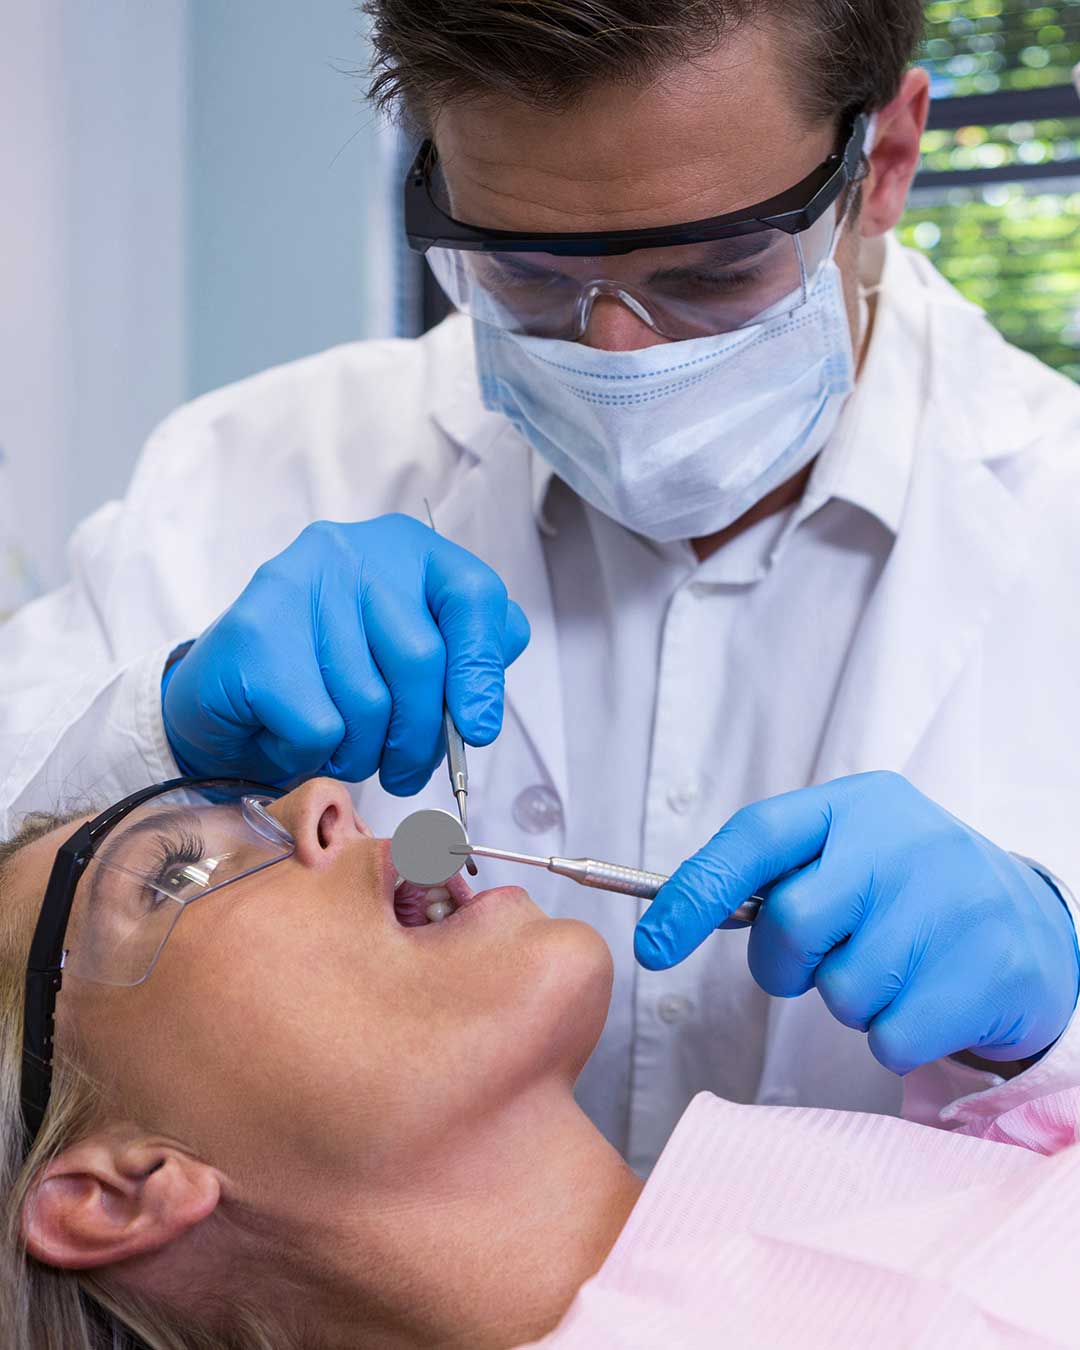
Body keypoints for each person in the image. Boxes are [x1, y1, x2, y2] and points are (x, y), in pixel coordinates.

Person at [3, 1, 1080, 1176]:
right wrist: (151, 724)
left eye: (713, 273)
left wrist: (1059, 1016)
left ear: (885, 161)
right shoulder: (252, 464)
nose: (618, 355)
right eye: (521, 269)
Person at [3, 776, 1080, 1350]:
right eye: (178, 874)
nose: (322, 796)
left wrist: (1049, 1046)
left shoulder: (912, 1179)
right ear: (118, 1193)